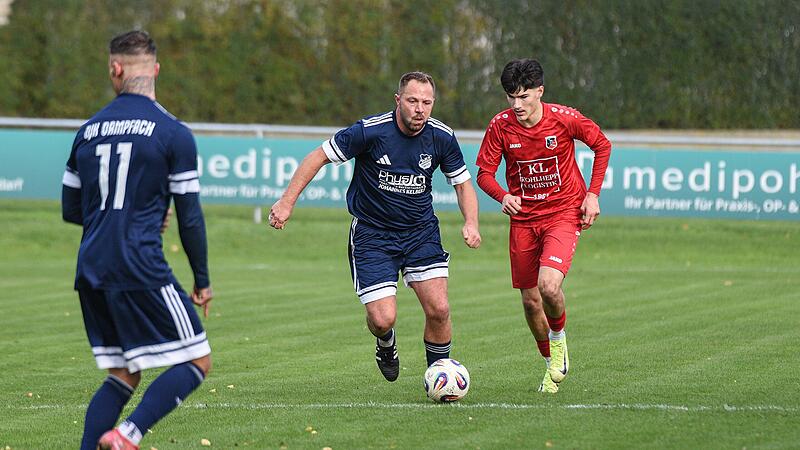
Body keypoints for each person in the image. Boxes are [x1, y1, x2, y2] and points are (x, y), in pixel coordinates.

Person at [269, 71, 481, 381]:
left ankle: (439, 377)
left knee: (439, 309)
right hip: (373, 236)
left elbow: (462, 184)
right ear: (398, 100)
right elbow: (318, 156)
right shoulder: (370, 131)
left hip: (420, 233)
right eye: (412, 101)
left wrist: (471, 223)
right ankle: (385, 342)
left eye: (426, 102)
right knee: (383, 319)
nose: (419, 109)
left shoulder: (441, 136)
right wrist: (287, 201)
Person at [61, 30, 213, 450]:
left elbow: (71, 210)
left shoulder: (87, 132)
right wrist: (201, 279)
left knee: (123, 374)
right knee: (197, 360)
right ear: (156, 71)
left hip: (90, 266)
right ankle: (128, 436)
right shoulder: (173, 133)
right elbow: (190, 218)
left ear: (115, 69)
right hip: (139, 263)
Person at [475, 58, 611, 394]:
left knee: (548, 287)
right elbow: (483, 174)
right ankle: (551, 360)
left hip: (564, 213)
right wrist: (502, 196)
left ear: (540, 91)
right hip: (523, 220)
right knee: (530, 301)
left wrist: (592, 195)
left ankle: (559, 340)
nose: (517, 105)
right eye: (511, 97)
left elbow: (601, 145)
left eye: (524, 97)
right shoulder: (500, 126)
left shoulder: (564, 119)